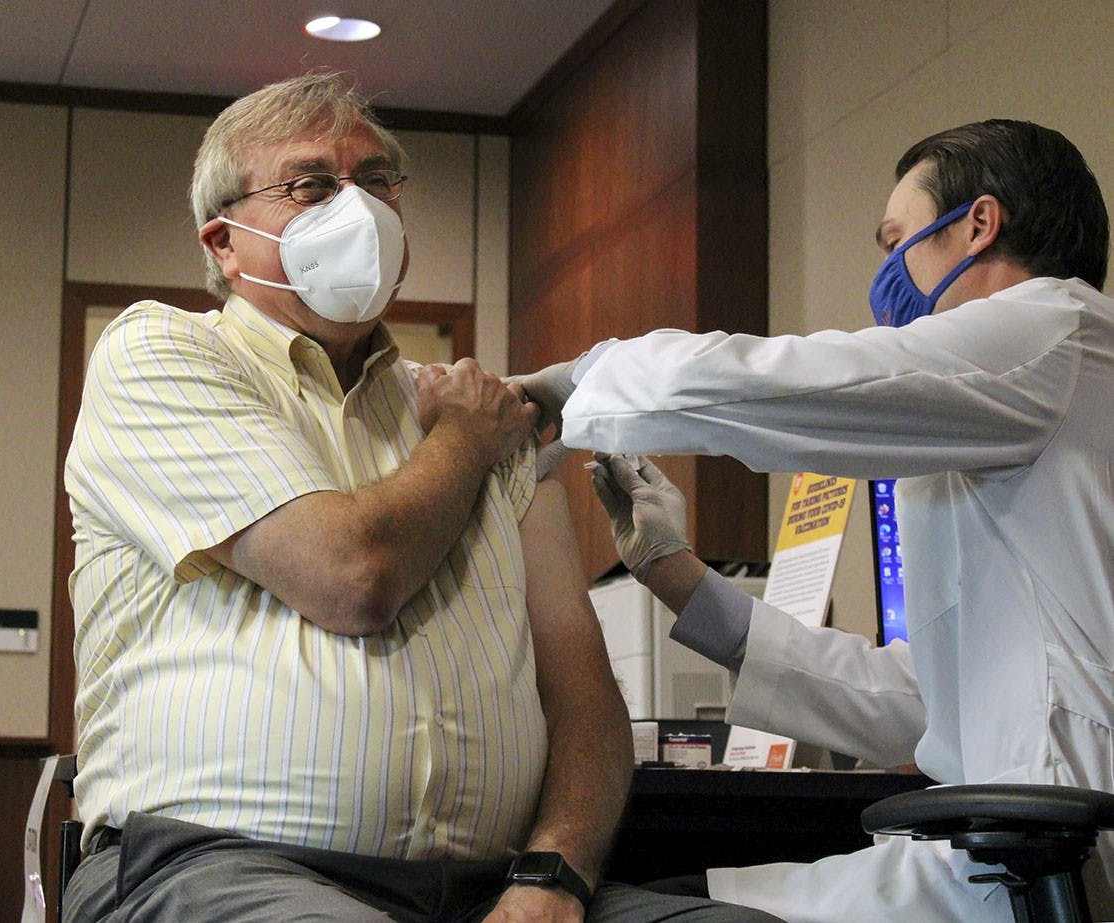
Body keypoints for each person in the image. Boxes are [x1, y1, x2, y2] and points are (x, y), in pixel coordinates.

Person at [61, 72, 780, 923]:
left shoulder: (468, 409)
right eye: (313, 185)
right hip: (216, 867)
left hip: (489, 884)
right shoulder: (162, 355)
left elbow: (585, 700)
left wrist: (551, 879)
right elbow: (350, 574)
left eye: (376, 182)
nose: (357, 210)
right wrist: (466, 441)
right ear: (224, 241)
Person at [516, 119, 1114, 923]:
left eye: (899, 239)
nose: (889, 272)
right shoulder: (1012, 407)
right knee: (680, 898)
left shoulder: (1049, 334)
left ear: (979, 223)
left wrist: (586, 381)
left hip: (1046, 855)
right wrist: (678, 576)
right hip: (1006, 854)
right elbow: (915, 695)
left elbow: (800, 383)